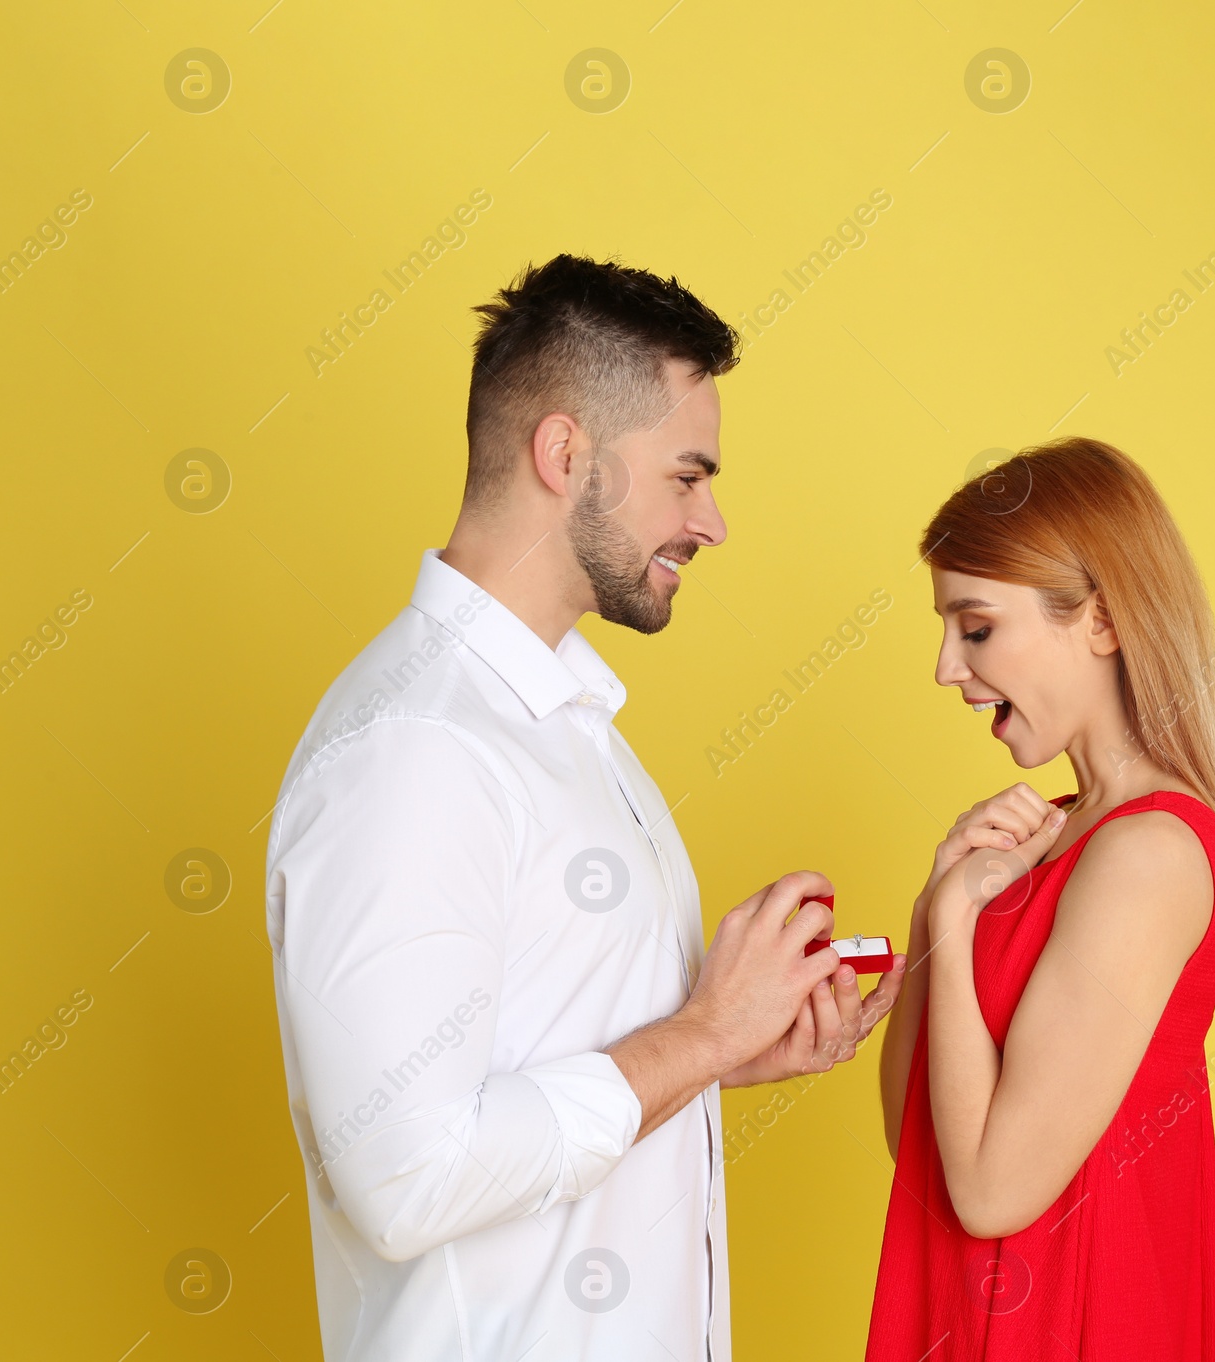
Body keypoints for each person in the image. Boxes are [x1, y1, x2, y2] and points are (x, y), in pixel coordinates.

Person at [264, 253, 906, 1362]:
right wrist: (700, 1031)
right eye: (687, 476)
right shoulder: (415, 752)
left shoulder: (569, 729)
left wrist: (729, 1044)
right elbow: (406, 1174)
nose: (712, 523)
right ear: (566, 455)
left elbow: (548, 1070)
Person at [867, 438, 1215, 1361]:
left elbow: (990, 1192)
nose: (944, 667)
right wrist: (940, 906)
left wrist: (959, 917)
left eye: (975, 629)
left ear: (1100, 620)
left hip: (1074, 1328)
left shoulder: (1150, 855)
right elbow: (918, 1142)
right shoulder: (1054, 832)